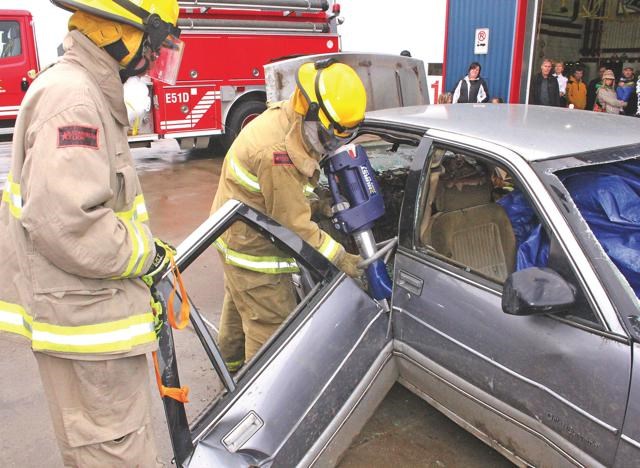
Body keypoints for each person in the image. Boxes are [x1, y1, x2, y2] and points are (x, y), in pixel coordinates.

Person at [0, 0, 183, 465]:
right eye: (155, 46)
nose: (154, 61)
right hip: (86, 327)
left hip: (93, 318)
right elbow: (67, 223)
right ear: (121, 33)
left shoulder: (86, 91)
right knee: (116, 453)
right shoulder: (75, 101)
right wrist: (147, 255)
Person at [210, 59, 366, 372]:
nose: (332, 146)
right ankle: (258, 400)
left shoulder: (290, 117)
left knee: (240, 307)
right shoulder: (277, 154)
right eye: (329, 137)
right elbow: (297, 227)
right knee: (270, 329)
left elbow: (286, 193)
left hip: (234, 234)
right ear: (310, 112)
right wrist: (344, 260)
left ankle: (229, 371)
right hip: (253, 250)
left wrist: (319, 203)